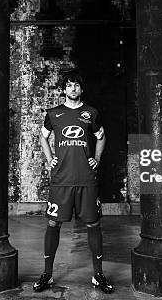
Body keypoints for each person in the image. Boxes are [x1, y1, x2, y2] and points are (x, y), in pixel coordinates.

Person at [33, 71, 114, 294]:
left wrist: (96, 159)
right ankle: (47, 275)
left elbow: (101, 136)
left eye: (76, 85)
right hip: (61, 179)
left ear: (81, 89)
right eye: (69, 86)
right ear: (64, 89)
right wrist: (50, 160)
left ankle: (98, 275)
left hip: (86, 179)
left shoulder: (91, 113)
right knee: (53, 224)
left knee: (93, 224)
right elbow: (43, 136)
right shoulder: (53, 114)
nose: (73, 89)